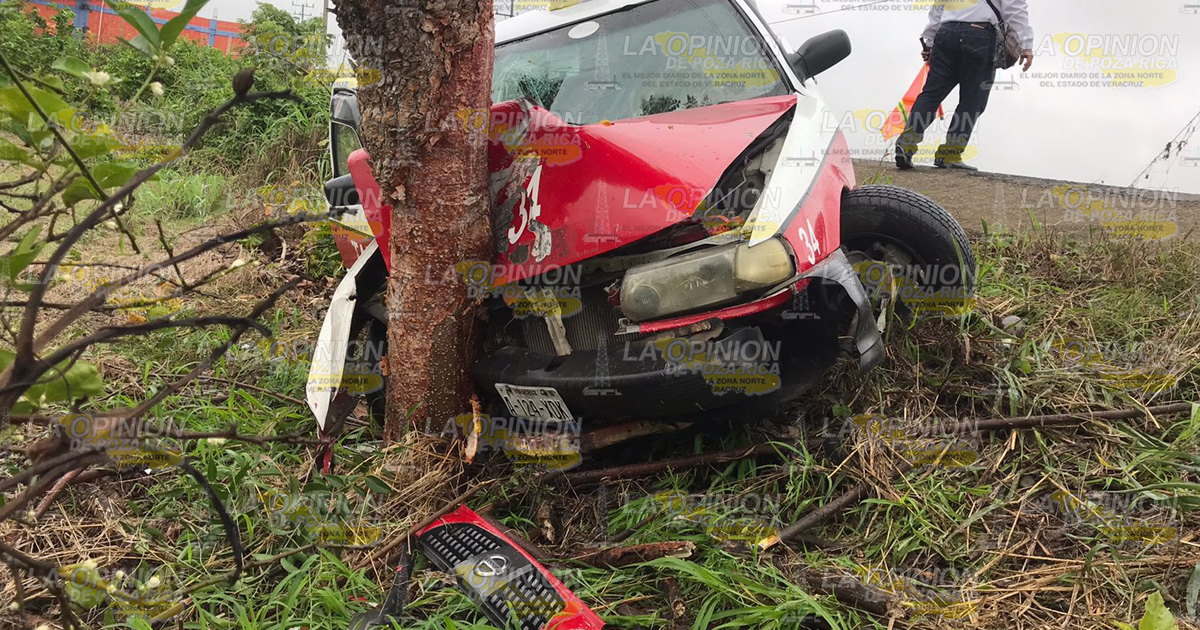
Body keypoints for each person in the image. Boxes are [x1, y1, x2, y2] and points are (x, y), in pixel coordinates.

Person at [895, 0, 1034, 171]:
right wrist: (1026, 45)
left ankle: (906, 143)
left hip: (946, 33)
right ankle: (949, 154)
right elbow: (1016, 9)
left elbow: (937, 8)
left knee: (931, 94)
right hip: (979, 36)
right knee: (972, 99)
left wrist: (929, 42)